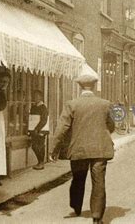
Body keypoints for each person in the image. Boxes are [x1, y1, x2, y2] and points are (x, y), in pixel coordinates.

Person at [50, 71, 115, 224]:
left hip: (78, 149)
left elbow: (61, 129)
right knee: (99, 181)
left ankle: (76, 207)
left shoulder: (72, 104)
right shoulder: (105, 104)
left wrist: (53, 149)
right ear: (93, 86)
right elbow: (111, 126)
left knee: (78, 178)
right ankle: (97, 216)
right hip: (100, 148)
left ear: (80, 87)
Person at [29, 89, 48, 170]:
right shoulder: (33, 107)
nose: (35, 98)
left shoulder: (43, 107)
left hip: (41, 130)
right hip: (34, 129)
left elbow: (44, 120)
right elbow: (31, 119)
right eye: (34, 96)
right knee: (34, 146)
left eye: (37, 96)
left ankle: (41, 162)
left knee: (40, 145)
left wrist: (37, 129)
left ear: (41, 97)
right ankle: (39, 161)